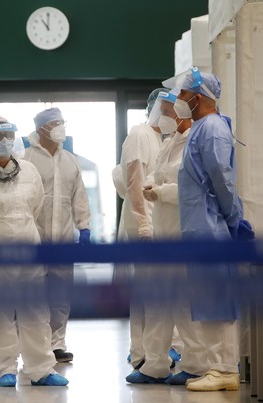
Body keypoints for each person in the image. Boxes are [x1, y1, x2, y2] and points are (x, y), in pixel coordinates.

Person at [0, 116, 69, 387]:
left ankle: (41, 369)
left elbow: (36, 205)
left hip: (29, 251)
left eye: (7, 136)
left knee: (36, 312)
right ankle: (5, 368)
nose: (3, 142)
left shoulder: (29, 171)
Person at [163, 66, 254, 392]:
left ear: (199, 97)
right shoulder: (202, 129)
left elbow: (222, 180)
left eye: (183, 94)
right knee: (207, 301)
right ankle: (217, 366)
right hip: (201, 229)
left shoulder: (212, 128)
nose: (179, 100)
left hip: (212, 227)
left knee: (218, 302)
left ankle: (225, 368)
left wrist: (233, 220)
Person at [124, 90, 206, 385]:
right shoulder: (168, 142)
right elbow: (150, 177)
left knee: (182, 301)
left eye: (172, 111)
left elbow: (192, 188)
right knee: (158, 300)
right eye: (165, 110)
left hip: (180, 232)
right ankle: (154, 364)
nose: (167, 116)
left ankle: (196, 363)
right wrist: (151, 188)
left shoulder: (194, 143)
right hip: (161, 230)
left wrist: (159, 192)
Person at [23, 107, 91, 363]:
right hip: (34, 238)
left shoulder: (70, 160)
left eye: (62, 122)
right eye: (56, 123)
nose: (61, 127)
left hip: (63, 238)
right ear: (42, 129)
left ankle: (57, 343)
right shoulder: (26, 159)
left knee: (61, 293)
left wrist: (84, 226)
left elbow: (79, 198)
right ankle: (34, 344)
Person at [113, 88, 165, 371]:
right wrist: (143, 221)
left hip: (158, 223)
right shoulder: (140, 135)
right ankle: (140, 351)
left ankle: (155, 349)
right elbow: (134, 180)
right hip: (143, 223)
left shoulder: (160, 138)